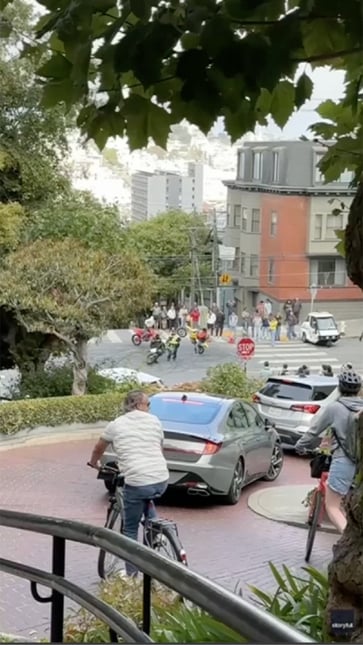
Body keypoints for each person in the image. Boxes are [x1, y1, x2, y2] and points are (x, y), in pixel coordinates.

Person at [88, 390, 169, 576]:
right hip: (161, 478)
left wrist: (94, 463)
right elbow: (159, 447)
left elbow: (99, 447)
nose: (149, 408)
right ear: (139, 405)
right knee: (147, 497)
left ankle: (131, 575)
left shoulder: (116, 425)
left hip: (138, 479)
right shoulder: (155, 421)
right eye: (148, 404)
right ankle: (155, 531)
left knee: (130, 529)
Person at [295, 370, 363, 534]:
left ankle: (347, 538)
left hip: (344, 461)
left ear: (339, 388)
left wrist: (300, 446)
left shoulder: (334, 408)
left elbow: (314, 431)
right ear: (359, 389)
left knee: (332, 506)